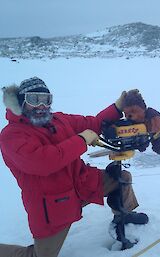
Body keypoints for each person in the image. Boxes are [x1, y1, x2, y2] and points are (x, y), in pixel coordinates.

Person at [0, 77, 148, 257]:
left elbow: (93, 123)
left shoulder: (59, 120)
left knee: (122, 178)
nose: (41, 106)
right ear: (21, 103)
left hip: (81, 183)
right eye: (33, 100)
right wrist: (82, 139)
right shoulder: (11, 136)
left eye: (46, 100)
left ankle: (123, 216)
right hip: (52, 205)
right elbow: (44, 162)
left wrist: (117, 107)